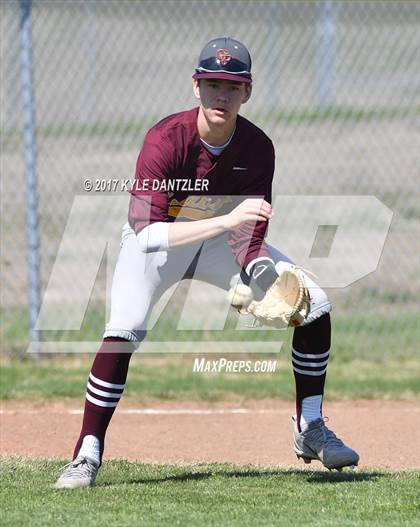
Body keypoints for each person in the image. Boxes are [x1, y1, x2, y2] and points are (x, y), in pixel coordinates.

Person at [55, 37, 359, 489]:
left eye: (233, 86)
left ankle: (309, 428)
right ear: (196, 86)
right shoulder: (166, 139)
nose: (222, 94)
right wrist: (226, 223)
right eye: (213, 83)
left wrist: (259, 278)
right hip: (161, 241)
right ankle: (86, 452)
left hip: (222, 240)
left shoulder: (257, 148)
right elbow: (147, 232)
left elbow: (249, 236)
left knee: (314, 304)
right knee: (123, 330)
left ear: (247, 92)